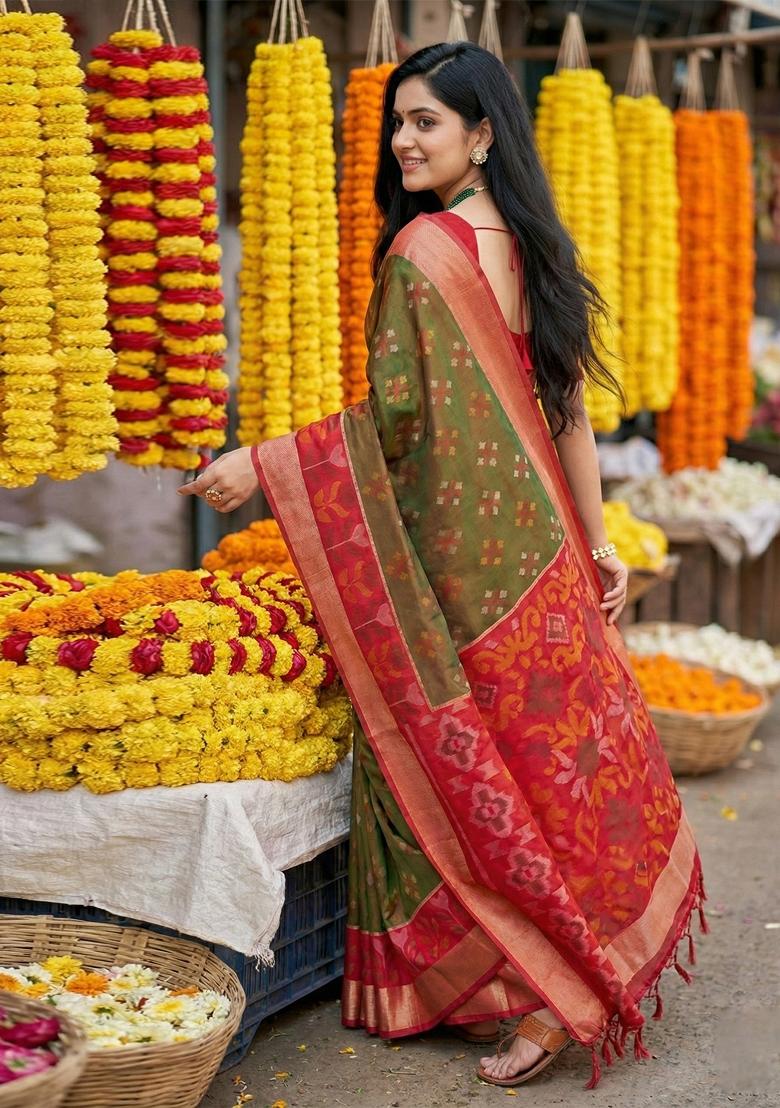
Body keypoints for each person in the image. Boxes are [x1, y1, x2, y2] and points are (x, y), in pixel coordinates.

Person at [179, 41, 705, 1089]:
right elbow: (565, 410)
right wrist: (597, 542)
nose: (403, 141)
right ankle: (546, 974)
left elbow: (395, 425)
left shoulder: (426, 251)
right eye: (399, 122)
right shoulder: (529, 244)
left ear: (483, 134)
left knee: (486, 789)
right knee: (548, 779)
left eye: (425, 122)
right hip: (543, 558)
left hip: (467, 579)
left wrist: (264, 463)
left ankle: (553, 996)